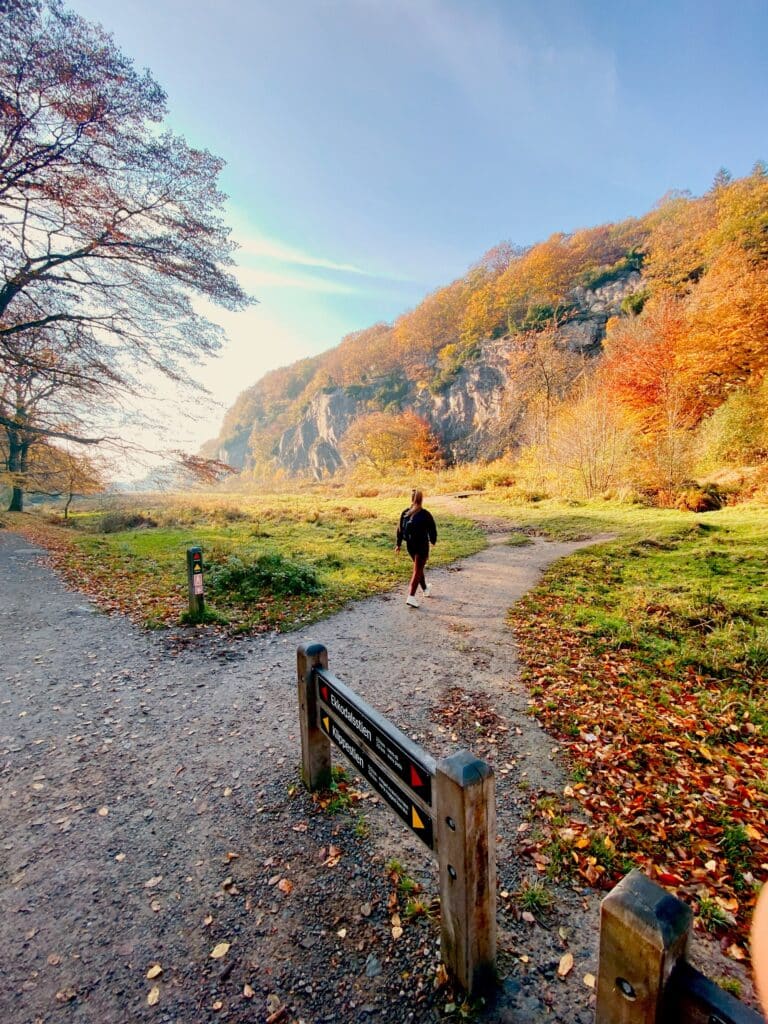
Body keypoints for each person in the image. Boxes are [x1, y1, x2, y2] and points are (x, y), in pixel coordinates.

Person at [395, 488, 437, 608]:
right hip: (421, 545)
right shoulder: (425, 514)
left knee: (418, 567)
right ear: (421, 499)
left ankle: (425, 589)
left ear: (411, 499)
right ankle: (411, 596)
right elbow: (432, 529)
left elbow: (399, 529)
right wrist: (433, 541)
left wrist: (398, 544)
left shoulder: (405, 513)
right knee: (418, 569)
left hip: (410, 546)